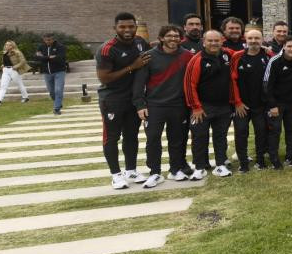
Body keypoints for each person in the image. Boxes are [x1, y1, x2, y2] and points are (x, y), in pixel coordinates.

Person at [133, 24, 199, 187]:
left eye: (176, 36)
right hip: (155, 105)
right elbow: (139, 83)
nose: (173, 39)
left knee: (177, 139)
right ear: (161, 38)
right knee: (153, 139)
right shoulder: (148, 56)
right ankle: (155, 172)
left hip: (179, 105)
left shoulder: (188, 56)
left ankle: (175, 169)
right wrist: (140, 105)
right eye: (169, 36)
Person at [95, 12, 151, 189]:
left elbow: (150, 57)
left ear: (135, 26)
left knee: (131, 136)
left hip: (133, 99)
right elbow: (104, 78)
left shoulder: (140, 42)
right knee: (112, 137)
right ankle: (116, 175)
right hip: (112, 99)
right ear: (115, 28)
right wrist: (131, 67)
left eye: (130, 26)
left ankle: (131, 170)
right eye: (122, 27)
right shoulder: (107, 48)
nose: (127, 30)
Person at [184, 30, 235, 178]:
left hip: (224, 106)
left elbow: (244, 53)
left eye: (216, 41)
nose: (213, 43)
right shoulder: (197, 59)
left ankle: (220, 165)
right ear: (204, 42)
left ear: (222, 41)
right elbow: (189, 85)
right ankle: (199, 167)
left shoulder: (227, 54)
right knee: (199, 137)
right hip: (202, 107)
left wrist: (266, 49)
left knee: (221, 136)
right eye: (210, 41)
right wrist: (196, 107)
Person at [230, 27, 271, 172]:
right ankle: (243, 163)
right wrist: (238, 102)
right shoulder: (237, 56)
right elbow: (232, 81)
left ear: (262, 40)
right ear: (245, 40)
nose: (253, 41)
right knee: (241, 132)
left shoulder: (268, 55)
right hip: (242, 105)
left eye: (257, 38)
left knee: (261, 132)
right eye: (250, 39)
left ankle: (260, 160)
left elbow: (283, 56)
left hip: (260, 105)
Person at [264, 36, 292, 166]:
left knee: (291, 129)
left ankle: (290, 155)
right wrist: (272, 105)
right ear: (284, 47)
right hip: (276, 103)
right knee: (275, 130)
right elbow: (267, 85)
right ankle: (274, 157)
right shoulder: (275, 61)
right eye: (289, 46)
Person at [0, 40, 31, 106]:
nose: (7, 46)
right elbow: (6, 61)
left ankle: (25, 97)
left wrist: (15, 67)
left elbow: (23, 61)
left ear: (12, 46)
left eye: (9, 45)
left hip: (13, 70)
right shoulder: (5, 52)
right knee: (3, 86)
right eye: (6, 44)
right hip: (5, 70)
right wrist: (3, 65)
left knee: (19, 84)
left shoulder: (17, 52)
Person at [33, 33, 68, 114]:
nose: (47, 42)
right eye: (45, 40)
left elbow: (60, 58)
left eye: (49, 40)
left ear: (53, 39)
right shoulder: (41, 47)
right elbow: (36, 57)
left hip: (59, 72)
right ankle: (58, 103)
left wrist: (43, 57)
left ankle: (56, 108)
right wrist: (48, 57)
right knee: (51, 92)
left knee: (58, 90)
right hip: (47, 72)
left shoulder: (60, 47)